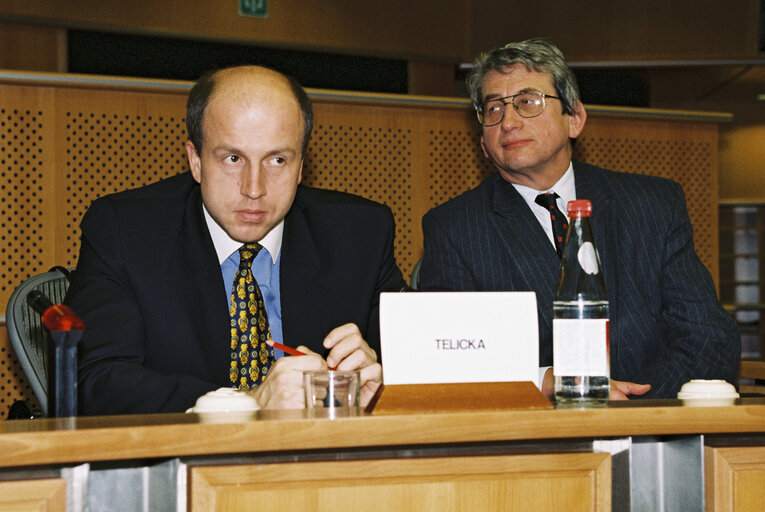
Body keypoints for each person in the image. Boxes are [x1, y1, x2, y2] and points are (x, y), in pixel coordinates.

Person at [66, 65, 406, 415]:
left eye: (277, 160)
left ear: (302, 165)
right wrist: (249, 403)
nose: (254, 188)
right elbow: (95, 382)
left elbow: (421, 370)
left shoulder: (360, 234)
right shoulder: (126, 231)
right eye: (233, 159)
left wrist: (380, 378)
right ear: (195, 160)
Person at [418, 39, 740, 400]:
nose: (508, 122)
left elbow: (708, 338)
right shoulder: (454, 227)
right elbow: (443, 360)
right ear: (482, 143)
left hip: (653, 429)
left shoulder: (653, 205)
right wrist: (546, 383)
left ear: (575, 118)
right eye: (493, 109)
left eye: (527, 102)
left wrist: (632, 411)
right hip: (539, 440)